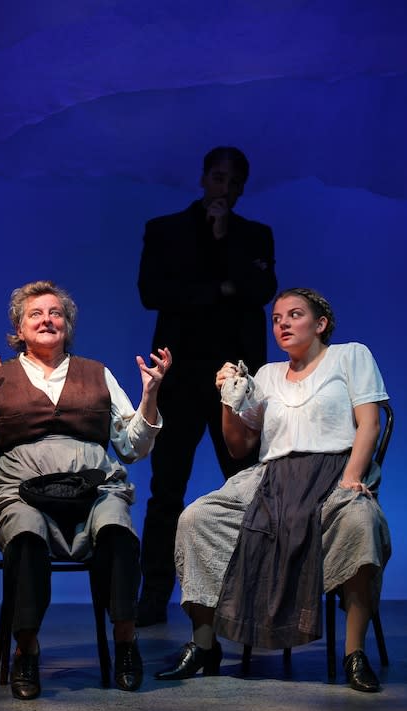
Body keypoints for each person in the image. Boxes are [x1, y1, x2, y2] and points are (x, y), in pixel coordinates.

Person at [154, 287, 391, 693]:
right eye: (277, 318)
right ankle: (204, 644)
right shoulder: (265, 375)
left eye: (294, 315)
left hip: (334, 469)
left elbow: (368, 424)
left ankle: (355, 653)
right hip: (270, 479)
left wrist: (353, 478)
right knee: (198, 518)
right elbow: (239, 447)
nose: (282, 323)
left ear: (321, 325)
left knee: (360, 520)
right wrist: (228, 400)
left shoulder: (351, 355)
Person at [0, 280, 172, 700]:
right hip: (21, 488)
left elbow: (131, 447)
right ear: (19, 328)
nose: (47, 320)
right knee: (26, 533)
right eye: (35, 314)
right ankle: (27, 650)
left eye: (55, 313)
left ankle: (126, 640)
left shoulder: (96, 373)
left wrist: (150, 395)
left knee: (117, 530)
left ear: (67, 326)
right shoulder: (0, 378)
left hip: (94, 487)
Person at [137, 146, 277, 626]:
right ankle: (154, 594)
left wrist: (220, 248)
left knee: (246, 484)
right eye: (218, 178)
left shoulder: (255, 236)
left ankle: (252, 593)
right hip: (178, 377)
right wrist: (220, 289)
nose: (224, 188)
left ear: (241, 188)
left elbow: (260, 292)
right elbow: (153, 293)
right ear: (203, 179)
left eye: (233, 182)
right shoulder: (165, 230)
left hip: (235, 379)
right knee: (166, 489)